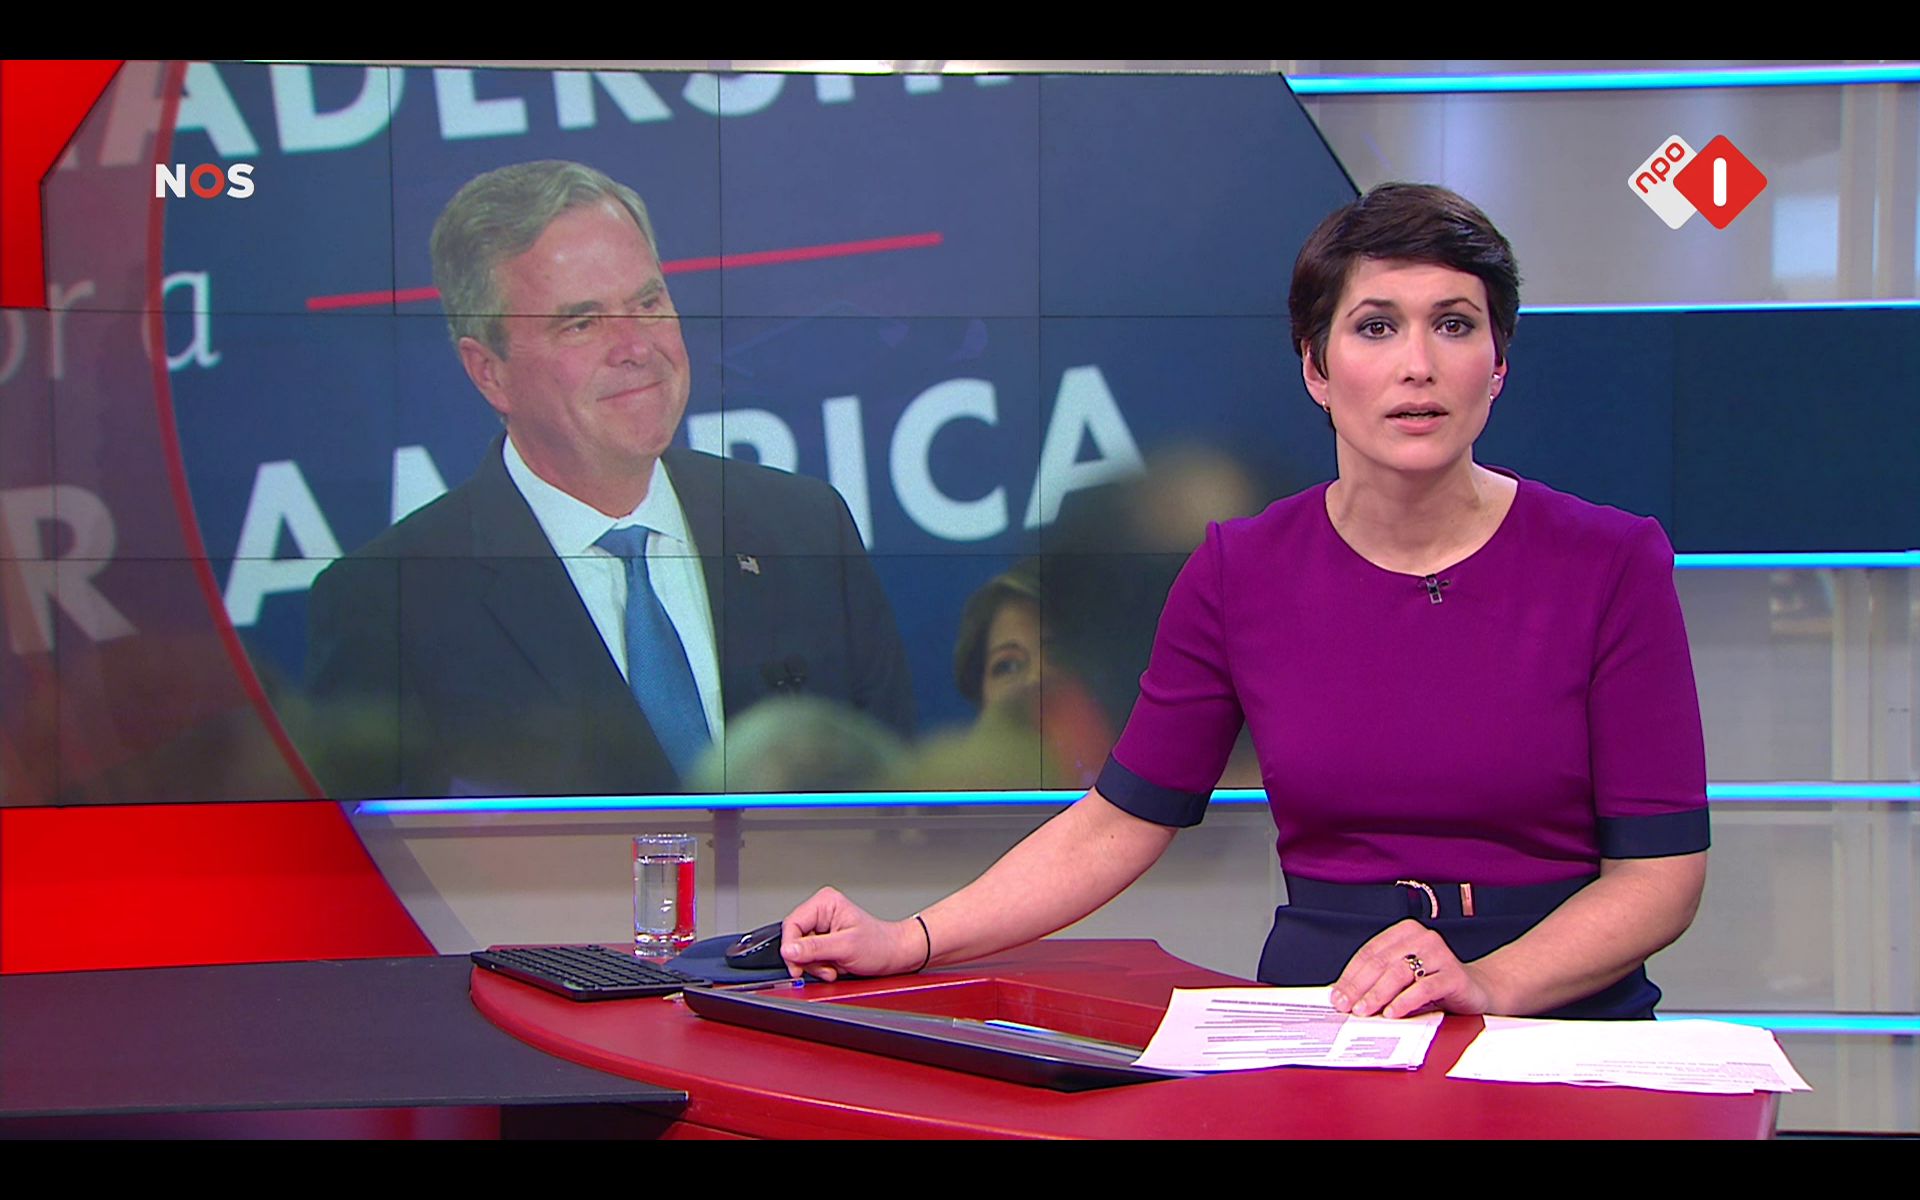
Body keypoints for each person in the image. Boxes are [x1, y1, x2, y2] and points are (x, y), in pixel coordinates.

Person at [780, 183, 1709, 1021]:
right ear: (1316, 369)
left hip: (1554, 1026)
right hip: (1326, 1019)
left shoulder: (1610, 561)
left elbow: (1661, 874)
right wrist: (911, 939)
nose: (1418, 364)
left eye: (1455, 325)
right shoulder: (1241, 570)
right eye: (1376, 327)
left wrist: (1491, 984)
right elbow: (1117, 823)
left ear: (1498, 364)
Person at [303, 160, 914, 800]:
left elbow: (898, 819)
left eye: (648, 302)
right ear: (489, 372)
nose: (637, 347)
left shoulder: (805, 529)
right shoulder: (388, 604)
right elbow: (369, 854)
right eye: (582, 322)